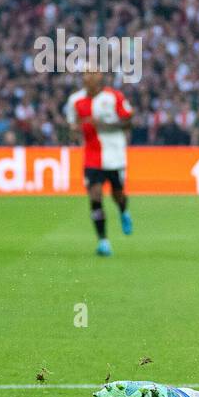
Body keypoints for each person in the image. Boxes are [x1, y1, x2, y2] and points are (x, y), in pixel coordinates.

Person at [64, 68, 134, 257]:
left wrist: (102, 125)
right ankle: (103, 241)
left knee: (118, 194)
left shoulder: (114, 97)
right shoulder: (75, 101)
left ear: (100, 76)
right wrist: (75, 129)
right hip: (91, 157)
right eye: (86, 73)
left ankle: (123, 211)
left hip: (114, 155)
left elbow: (129, 122)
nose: (89, 76)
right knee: (95, 196)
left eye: (92, 73)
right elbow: (72, 127)